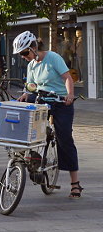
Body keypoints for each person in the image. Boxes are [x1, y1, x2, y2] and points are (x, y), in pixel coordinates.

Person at [14, 31, 83, 199]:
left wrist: (69, 94)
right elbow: (31, 84)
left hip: (60, 101)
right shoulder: (31, 65)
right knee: (22, 111)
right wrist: (26, 91)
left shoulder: (53, 58)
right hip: (42, 99)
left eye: (24, 53)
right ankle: (26, 153)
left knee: (64, 138)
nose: (23, 57)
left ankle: (75, 184)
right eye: (21, 54)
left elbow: (67, 78)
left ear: (34, 48)